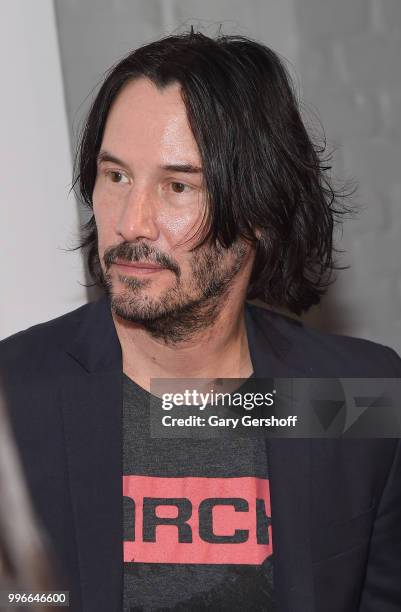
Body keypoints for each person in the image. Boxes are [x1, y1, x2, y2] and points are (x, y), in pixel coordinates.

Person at [1, 30, 400, 612]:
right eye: (116, 176)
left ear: (258, 210)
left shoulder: (356, 397)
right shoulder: (13, 398)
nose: (131, 222)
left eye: (177, 185)